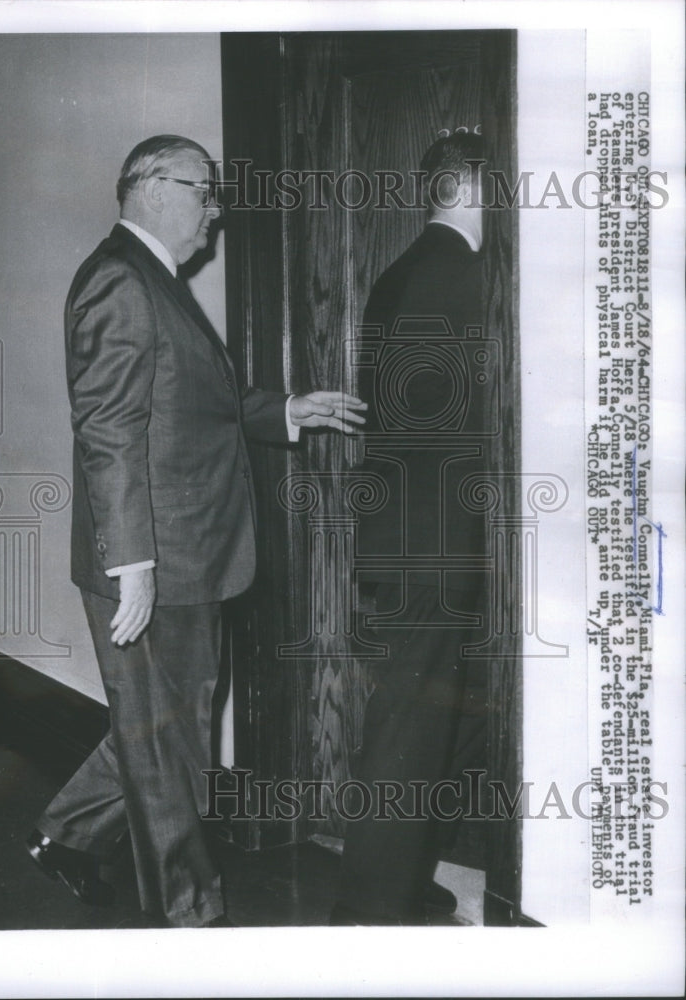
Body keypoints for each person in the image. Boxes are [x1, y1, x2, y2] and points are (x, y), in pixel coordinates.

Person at [26, 134, 366, 928]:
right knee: (169, 743)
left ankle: (66, 836)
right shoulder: (119, 280)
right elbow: (107, 431)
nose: (214, 211)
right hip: (157, 558)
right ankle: (190, 919)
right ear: (149, 187)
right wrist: (132, 564)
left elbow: (197, 398)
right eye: (203, 190)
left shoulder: (156, 281)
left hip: (193, 552)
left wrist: (283, 410)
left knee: (165, 723)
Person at [332, 132, 490, 925]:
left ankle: (399, 879)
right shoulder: (460, 275)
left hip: (397, 532)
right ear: (471, 189)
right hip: (434, 541)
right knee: (409, 727)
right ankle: (369, 909)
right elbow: (461, 424)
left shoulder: (399, 270)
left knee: (415, 717)